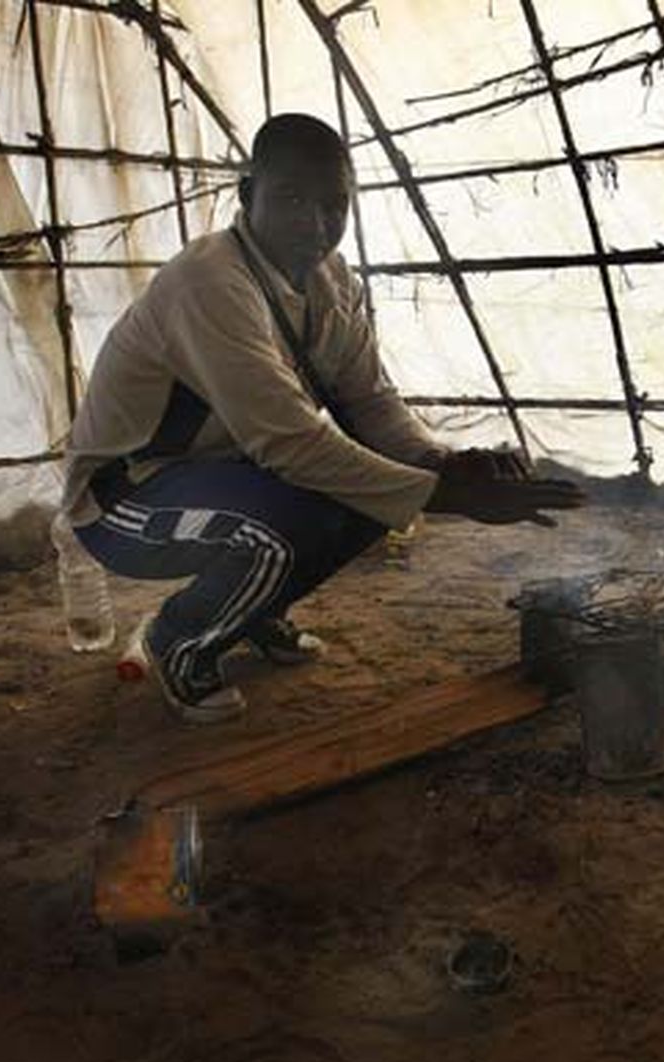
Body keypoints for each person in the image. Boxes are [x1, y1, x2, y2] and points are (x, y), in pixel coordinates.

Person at [59, 113, 584, 723]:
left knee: (367, 501)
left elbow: (369, 402)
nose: (316, 225)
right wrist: (446, 494)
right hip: (124, 502)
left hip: (228, 477)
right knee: (281, 528)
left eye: (336, 205)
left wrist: (443, 462)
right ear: (247, 193)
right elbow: (290, 444)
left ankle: (249, 614)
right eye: (291, 199)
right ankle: (180, 639)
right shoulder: (209, 283)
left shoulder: (332, 281)